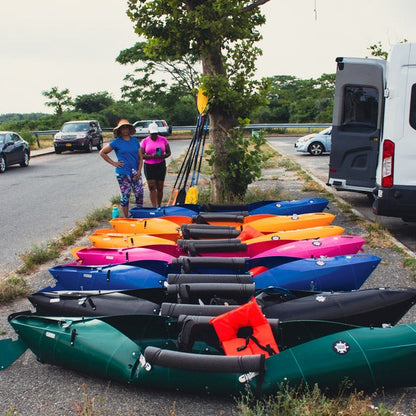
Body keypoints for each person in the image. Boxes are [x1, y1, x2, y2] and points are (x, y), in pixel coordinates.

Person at [99, 119, 143, 217]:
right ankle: (126, 217)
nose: (125, 130)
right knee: (125, 196)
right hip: (123, 172)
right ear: (120, 130)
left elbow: (140, 158)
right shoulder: (116, 142)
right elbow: (102, 152)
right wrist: (114, 163)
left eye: (126, 127)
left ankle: (139, 216)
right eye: (123, 128)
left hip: (136, 171)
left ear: (129, 129)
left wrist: (139, 171)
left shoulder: (135, 141)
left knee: (139, 195)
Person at [140, 122, 171, 207]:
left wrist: (162, 156)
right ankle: (154, 206)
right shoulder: (145, 141)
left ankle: (159, 204)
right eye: (152, 133)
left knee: (160, 186)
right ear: (149, 132)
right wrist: (151, 156)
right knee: (151, 186)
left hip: (160, 164)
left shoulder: (163, 139)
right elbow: (141, 155)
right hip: (149, 166)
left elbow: (168, 153)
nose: (154, 135)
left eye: (155, 133)